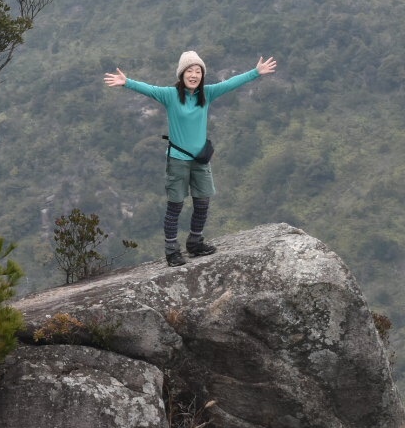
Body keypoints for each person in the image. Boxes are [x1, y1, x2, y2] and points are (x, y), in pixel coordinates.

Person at [104, 50, 277, 267]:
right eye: (190, 70)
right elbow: (149, 89)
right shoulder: (170, 95)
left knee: (202, 202)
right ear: (182, 74)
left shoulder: (208, 94)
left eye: (198, 71)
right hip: (177, 161)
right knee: (175, 205)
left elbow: (231, 83)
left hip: (201, 160)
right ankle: (171, 250)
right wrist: (126, 82)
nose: (194, 75)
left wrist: (256, 72)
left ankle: (195, 243)